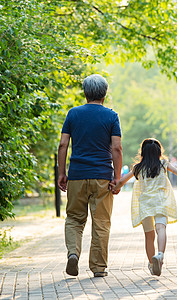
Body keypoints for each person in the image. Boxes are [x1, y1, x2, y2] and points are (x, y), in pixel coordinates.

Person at [57, 74, 123, 278]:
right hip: (102, 176)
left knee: (75, 219)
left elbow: (63, 145)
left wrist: (62, 173)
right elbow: (117, 148)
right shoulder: (111, 116)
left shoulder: (73, 114)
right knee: (101, 222)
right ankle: (99, 267)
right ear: (104, 94)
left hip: (77, 175)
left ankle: (73, 253)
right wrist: (117, 177)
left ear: (85, 93)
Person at [111, 138, 177, 276]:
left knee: (149, 235)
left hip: (145, 204)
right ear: (159, 152)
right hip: (160, 201)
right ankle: (160, 255)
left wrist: (114, 188)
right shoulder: (163, 164)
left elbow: (122, 180)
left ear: (143, 153)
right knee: (161, 228)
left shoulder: (138, 168)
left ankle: (152, 265)